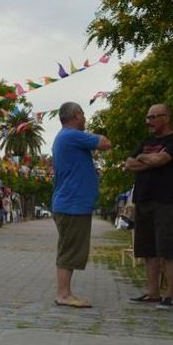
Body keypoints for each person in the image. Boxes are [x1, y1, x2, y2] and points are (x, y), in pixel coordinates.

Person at [124, 104, 173, 309]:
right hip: (143, 200)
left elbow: (161, 159)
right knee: (148, 249)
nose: (148, 121)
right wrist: (147, 160)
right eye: (147, 117)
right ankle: (153, 293)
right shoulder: (147, 141)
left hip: (164, 201)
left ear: (166, 118)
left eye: (153, 117)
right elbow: (128, 164)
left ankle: (171, 296)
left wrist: (145, 159)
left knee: (167, 248)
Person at [52, 101, 111, 308]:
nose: (85, 118)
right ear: (76, 115)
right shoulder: (71, 135)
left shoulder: (66, 137)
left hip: (72, 204)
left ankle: (65, 292)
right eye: (83, 114)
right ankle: (63, 294)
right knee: (70, 250)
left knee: (71, 249)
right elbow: (105, 143)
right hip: (72, 204)